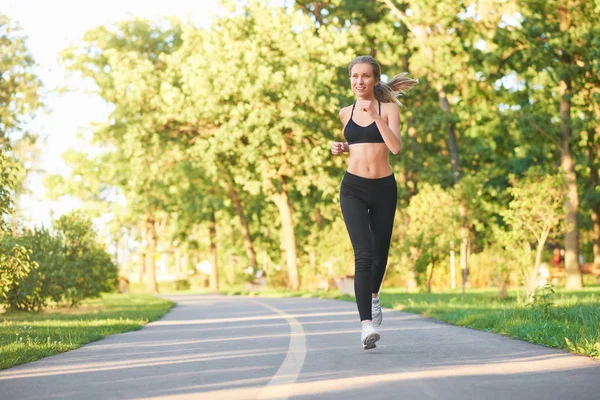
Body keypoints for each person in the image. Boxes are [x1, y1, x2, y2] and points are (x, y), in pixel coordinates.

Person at [331, 55, 417, 350]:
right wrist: (342, 147)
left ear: (375, 80)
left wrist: (376, 115)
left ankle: (373, 295)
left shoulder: (388, 108)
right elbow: (359, 145)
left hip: (383, 187)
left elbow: (394, 146)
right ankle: (365, 326)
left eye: (365, 76)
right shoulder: (345, 112)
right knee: (364, 254)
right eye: (354, 76)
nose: (359, 81)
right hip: (353, 187)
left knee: (381, 255)